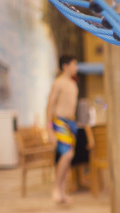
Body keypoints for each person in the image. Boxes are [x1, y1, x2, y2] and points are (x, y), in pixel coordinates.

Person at [46, 55, 79, 204]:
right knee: (66, 155)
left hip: (71, 122)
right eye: (73, 65)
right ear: (65, 66)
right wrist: (49, 129)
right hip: (60, 122)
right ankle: (56, 189)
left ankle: (62, 191)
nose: (76, 68)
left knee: (69, 157)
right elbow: (50, 105)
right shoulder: (58, 83)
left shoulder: (73, 83)